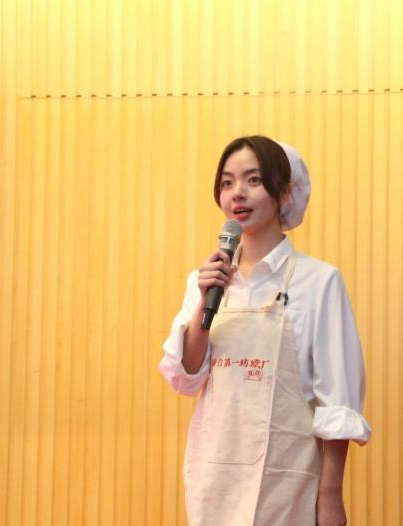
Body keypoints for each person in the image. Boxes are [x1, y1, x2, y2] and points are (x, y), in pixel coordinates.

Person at [159, 135, 371, 525]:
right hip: (214, 478)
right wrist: (205, 300)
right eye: (227, 182)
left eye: (253, 180)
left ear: (284, 192)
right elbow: (186, 377)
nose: (237, 192)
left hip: (288, 480)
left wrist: (330, 496)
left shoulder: (319, 282)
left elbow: (337, 399)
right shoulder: (204, 281)